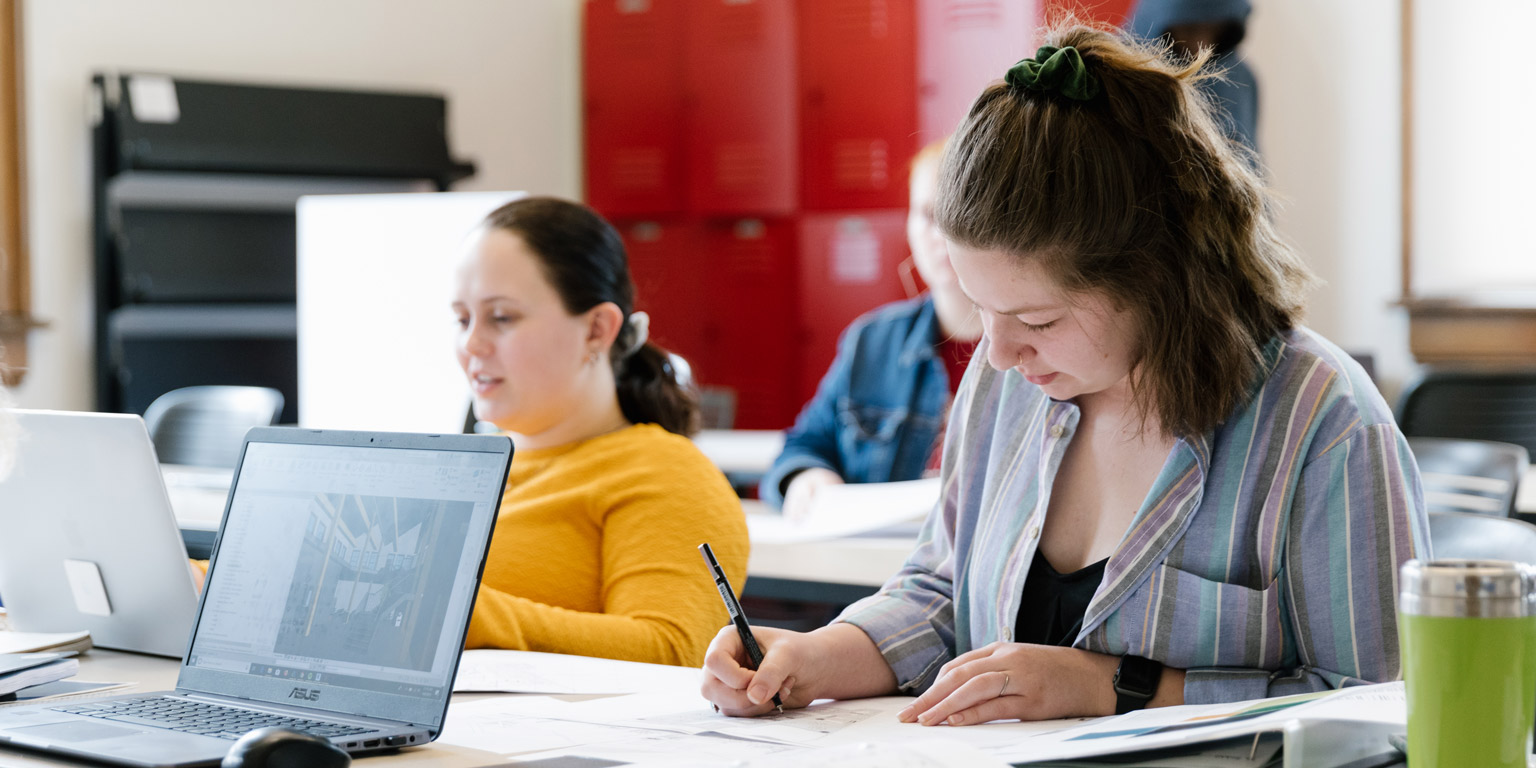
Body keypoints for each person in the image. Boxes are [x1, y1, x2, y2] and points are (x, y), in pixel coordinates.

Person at [703, 24, 1427, 722]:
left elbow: (1376, 704)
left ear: (1157, 277)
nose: (998, 355)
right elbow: (941, 590)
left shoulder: (1324, 425)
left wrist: (1116, 686)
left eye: (1039, 320)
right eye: (981, 309)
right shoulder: (1012, 381)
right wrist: (814, 655)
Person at [453, 196, 749, 667]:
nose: (471, 344)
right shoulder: (466, 468)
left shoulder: (664, 472)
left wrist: (462, 616)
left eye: (502, 317)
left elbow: (676, 651)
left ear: (596, 329)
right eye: (462, 318)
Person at [760, 140, 984, 519]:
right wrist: (807, 476)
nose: (942, 233)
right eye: (928, 214)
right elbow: (806, 444)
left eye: (960, 211)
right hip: (884, 567)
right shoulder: (872, 341)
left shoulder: (1037, 346)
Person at [1127, 0, 1257, 152]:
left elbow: (1250, 158)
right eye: (1190, 30)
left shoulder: (1239, 78)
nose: (1200, 47)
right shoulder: (1121, 72)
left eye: (1214, 31)